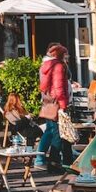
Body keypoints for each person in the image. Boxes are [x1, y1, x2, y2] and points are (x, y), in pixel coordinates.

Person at [35, 43, 72, 171]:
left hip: (48, 103)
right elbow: (59, 88)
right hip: (57, 104)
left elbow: (45, 87)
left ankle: (43, 159)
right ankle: (54, 162)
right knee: (59, 133)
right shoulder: (58, 66)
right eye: (65, 54)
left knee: (51, 131)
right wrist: (63, 106)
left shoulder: (45, 66)